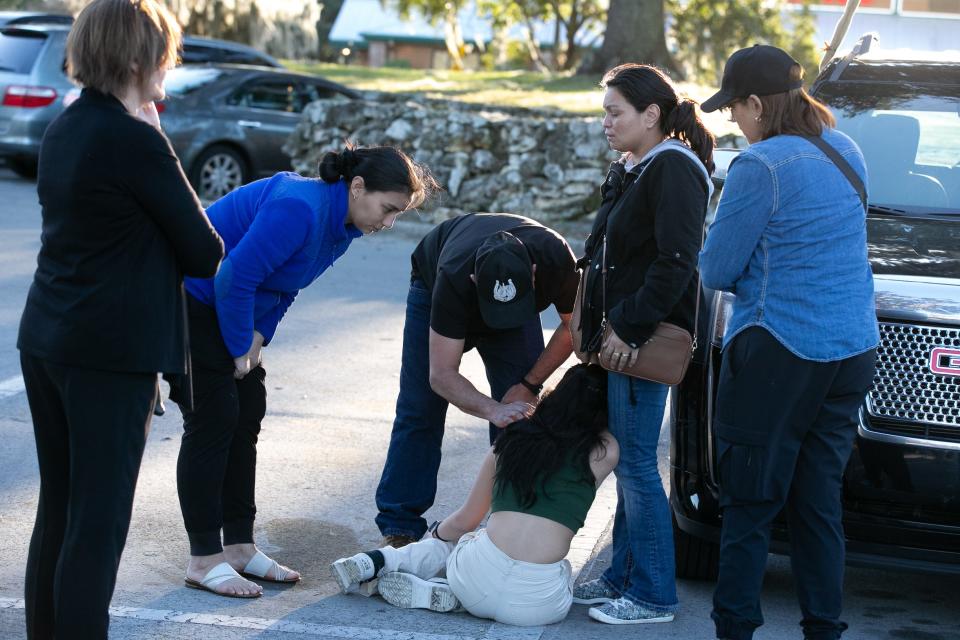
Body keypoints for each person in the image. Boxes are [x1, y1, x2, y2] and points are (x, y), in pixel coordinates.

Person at [16, 0, 225, 637]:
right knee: (97, 524)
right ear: (138, 58)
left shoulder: (68, 124)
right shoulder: (135, 138)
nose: (171, 63)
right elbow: (204, 251)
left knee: (61, 510)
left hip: (49, 337)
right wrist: (158, 137)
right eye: (165, 50)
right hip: (108, 354)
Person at [171, 143, 436, 598]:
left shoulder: (343, 226)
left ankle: (238, 546)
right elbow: (233, 276)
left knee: (247, 411)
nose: (388, 223)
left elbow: (286, 287)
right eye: (388, 209)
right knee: (212, 419)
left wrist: (260, 336)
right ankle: (203, 558)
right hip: (186, 299)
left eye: (398, 215)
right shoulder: (300, 209)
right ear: (356, 187)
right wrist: (239, 346)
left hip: (229, 308)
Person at [698, 45, 878, 640]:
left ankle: (736, 630)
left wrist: (764, 269)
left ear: (757, 103)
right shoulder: (847, 148)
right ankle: (824, 629)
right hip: (852, 349)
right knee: (818, 503)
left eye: (734, 110)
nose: (732, 123)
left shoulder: (760, 166)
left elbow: (717, 270)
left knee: (749, 505)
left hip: (779, 348)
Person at [570, 63, 715, 625]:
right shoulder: (635, 165)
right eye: (604, 111)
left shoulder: (673, 168)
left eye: (615, 112)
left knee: (634, 466)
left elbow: (677, 262)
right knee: (628, 460)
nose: (605, 122)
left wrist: (628, 328)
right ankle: (622, 575)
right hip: (617, 338)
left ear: (651, 115)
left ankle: (653, 595)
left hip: (639, 339)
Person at [333, 364, 617, 626]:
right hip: (536, 607)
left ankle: (383, 561)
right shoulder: (605, 452)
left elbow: (464, 521)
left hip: (476, 577)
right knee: (562, 570)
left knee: (459, 541)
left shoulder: (512, 442)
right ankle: (454, 597)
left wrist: (433, 540)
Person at [374, 213, 581, 548]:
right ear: (473, 279)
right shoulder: (454, 277)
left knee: (520, 416)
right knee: (420, 408)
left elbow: (577, 328)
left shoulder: (555, 256)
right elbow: (441, 375)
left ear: (531, 273)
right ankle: (400, 527)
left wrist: (529, 385)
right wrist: (490, 409)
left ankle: (510, 524)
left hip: (509, 288)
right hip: (433, 282)